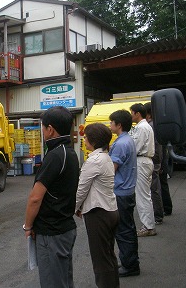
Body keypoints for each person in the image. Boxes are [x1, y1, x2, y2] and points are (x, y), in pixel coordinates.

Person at [24, 106, 79, 288]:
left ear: (50, 129)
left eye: (43, 127)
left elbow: (35, 198)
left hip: (52, 232)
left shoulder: (55, 155)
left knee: (52, 282)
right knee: (64, 280)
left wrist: (28, 226)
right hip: (64, 226)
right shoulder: (69, 152)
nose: (42, 131)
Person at [75, 123, 119, 288]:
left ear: (92, 140)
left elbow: (81, 189)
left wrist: (75, 208)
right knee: (108, 256)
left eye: (86, 137)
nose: (84, 139)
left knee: (100, 261)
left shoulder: (94, 160)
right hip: (110, 209)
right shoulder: (106, 157)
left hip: (98, 213)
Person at [108, 109, 140, 277]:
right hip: (127, 190)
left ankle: (130, 265)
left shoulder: (120, 144)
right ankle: (130, 261)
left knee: (123, 230)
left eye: (112, 122)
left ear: (119, 125)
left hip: (121, 192)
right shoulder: (127, 140)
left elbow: (111, 170)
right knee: (128, 228)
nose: (110, 125)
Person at [129, 103, 156, 237]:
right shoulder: (145, 126)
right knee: (145, 195)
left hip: (142, 160)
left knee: (142, 196)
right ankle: (149, 224)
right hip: (145, 161)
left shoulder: (141, 128)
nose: (131, 115)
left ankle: (148, 226)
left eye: (132, 113)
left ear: (137, 114)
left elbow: (135, 147)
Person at [144, 102, 164, 225]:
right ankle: (159, 213)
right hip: (157, 159)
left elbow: (154, 147)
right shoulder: (156, 125)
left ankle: (157, 215)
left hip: (153, 160)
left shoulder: (150, 126)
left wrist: (156, 162)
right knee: (156, 188)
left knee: (153, 189)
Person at [160, 147, 173, 216]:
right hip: (163, 164)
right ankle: (167, 207)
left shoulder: (159, 139)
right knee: (163, 186)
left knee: (162, 187)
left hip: (162, 165)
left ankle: (166, 208)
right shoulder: (163, 140)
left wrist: (161, 166)